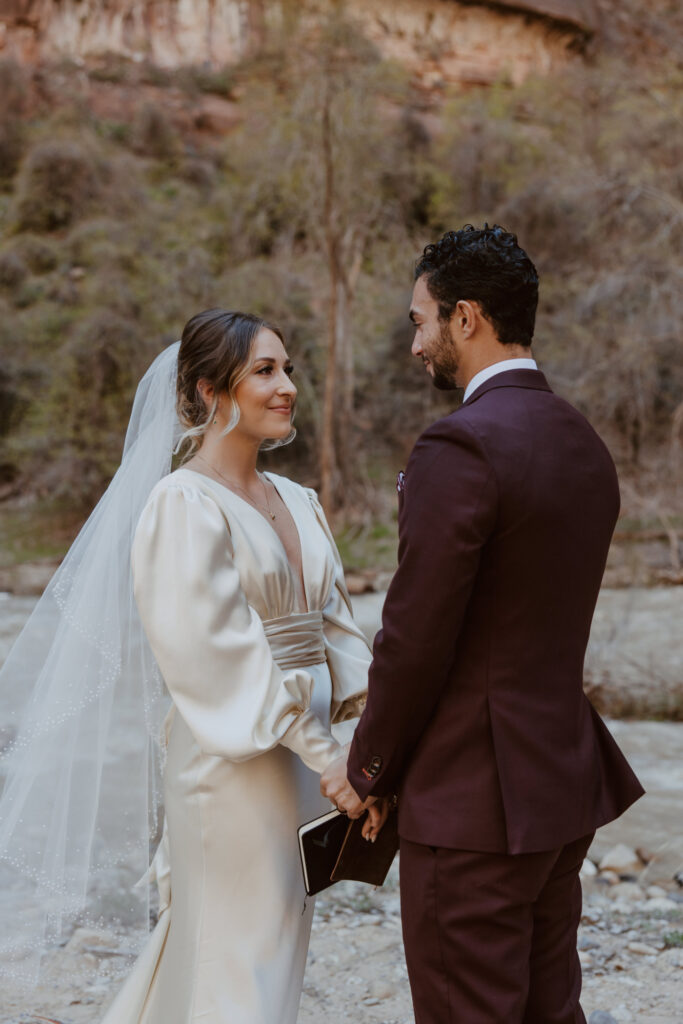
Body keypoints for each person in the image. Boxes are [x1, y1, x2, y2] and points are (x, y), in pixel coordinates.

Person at [0, 309, 378, 1024]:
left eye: (287, 368)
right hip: (234, 768)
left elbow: (340, 634)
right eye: (264, 371)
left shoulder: (298, 500)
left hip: (311, 767)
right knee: (229, 955)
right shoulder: (181, 505)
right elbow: (218, 655)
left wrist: (367, 751)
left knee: (271, 949)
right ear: (209, 391)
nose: (286, 386)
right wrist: (328, 754)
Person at [322, 225, 645, 1024]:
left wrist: (367, 772)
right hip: (558, 789)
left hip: (472, 806)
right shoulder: (582, 443)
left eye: (419, 320)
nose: (415, 345)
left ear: (465, 318)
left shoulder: (460, 444)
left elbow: (415, 636)